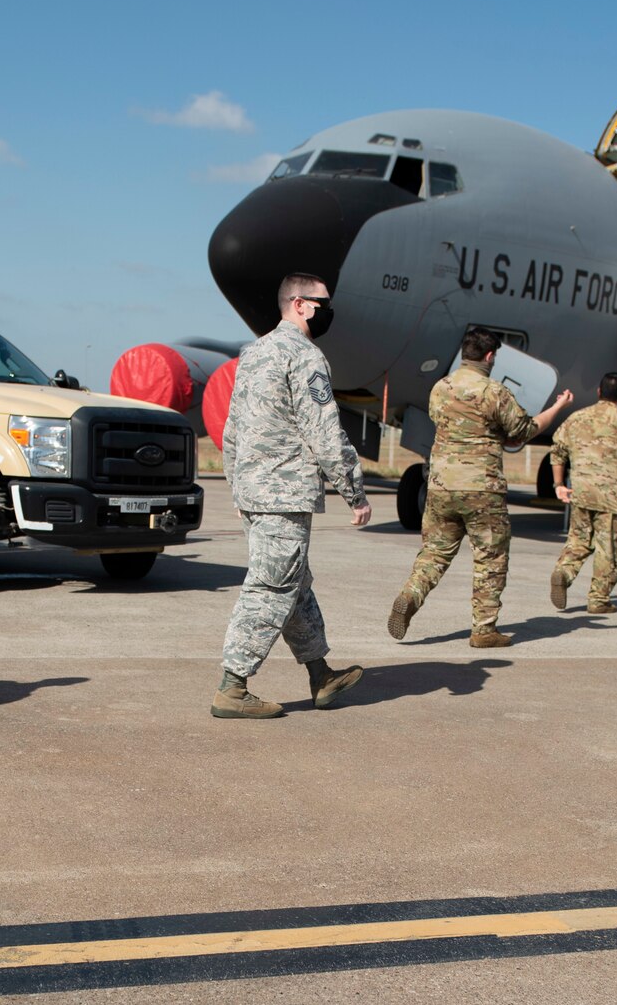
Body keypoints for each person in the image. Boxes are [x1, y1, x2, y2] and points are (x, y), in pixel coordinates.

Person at [217, 273, 370, 718]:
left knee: (294, 583)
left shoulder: (254, 353)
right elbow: (323, 430)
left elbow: (233, 428)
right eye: (324, 304)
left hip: (254, 489)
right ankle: (232, 687)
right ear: (300, 304)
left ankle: (320, 673)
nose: (329, 312)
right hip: (283, 492)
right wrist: (354, 491)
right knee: (272, 586)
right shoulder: (305, 357)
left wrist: (238, 483)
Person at [390, 329, 571, 646]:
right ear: (490, 356)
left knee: (434, 554)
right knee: (490, 559)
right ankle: (484, 629)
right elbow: (523, 430)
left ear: (464, 354)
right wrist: (557, 407)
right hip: (481, 489)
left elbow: (445, 422)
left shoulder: (440, 389)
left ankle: (410, 594)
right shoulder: (494, 393)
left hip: (442, 486)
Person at [546, 371, 617, 615]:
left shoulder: (576, 418)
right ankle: (599, 598)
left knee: (578, 541)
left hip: (581, 493)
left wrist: (559, 484)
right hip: (613, 499)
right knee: (607, 548)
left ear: (599, 392)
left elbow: (557, 451)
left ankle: (564, 572)